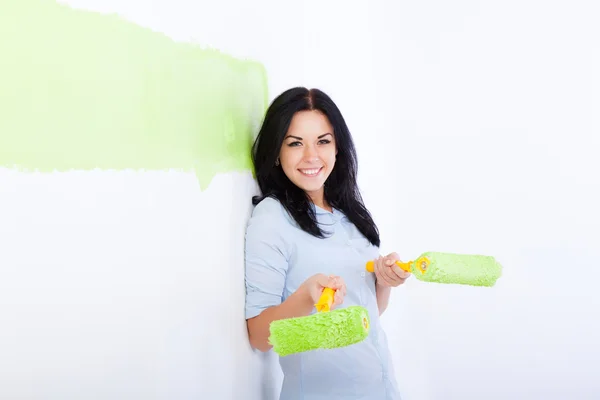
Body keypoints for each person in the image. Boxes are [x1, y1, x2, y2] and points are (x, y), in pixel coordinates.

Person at [244, 87, 411, 400]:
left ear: (338, 148)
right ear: (276, 153)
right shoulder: (272, 218)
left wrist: (385, 281)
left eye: (323, 141)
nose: (311, 156)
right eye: (295, 143)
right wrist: (307, 296)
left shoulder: (349, 214)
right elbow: (259, 335)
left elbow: (368, 311)